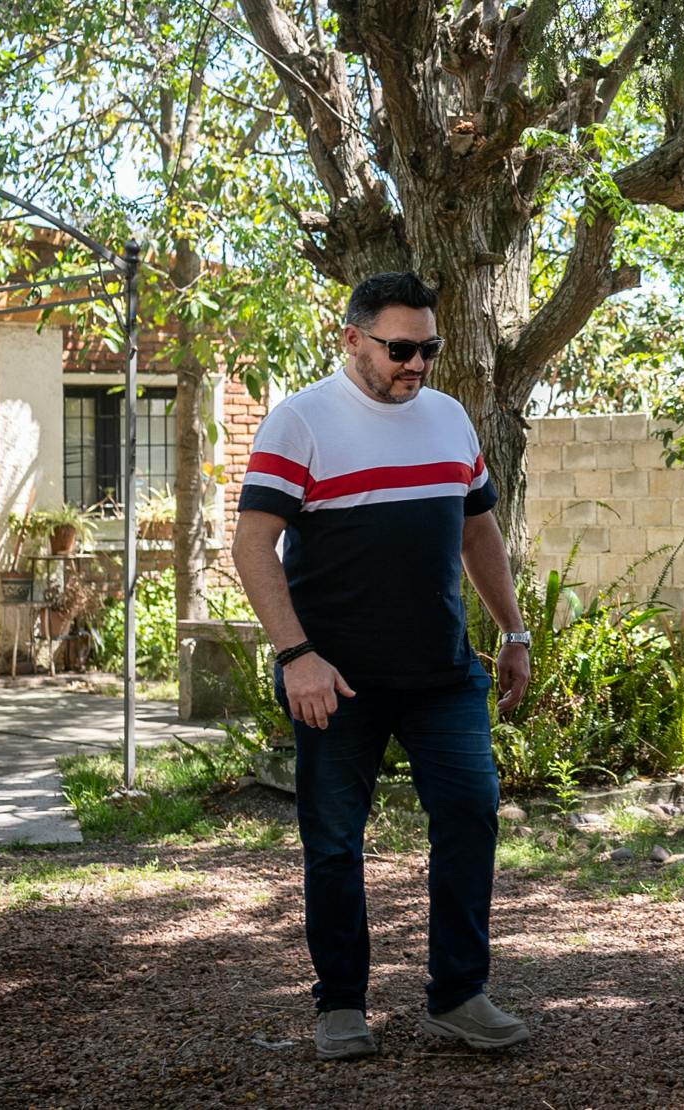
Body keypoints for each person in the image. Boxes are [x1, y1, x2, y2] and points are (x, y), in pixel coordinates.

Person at [234, 271, 535, 1060]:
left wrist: (513, 630)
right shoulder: (299, 422)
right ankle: (340, 1005)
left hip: (443, 674)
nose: (418, 365)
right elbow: (251, 545)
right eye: (401, 349)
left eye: (429, 349)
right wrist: (296, 655)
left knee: (471, 819)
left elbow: (479, 535)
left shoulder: (449, 419)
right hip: (334, 681)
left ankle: (459, 995)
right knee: (334, 843)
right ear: (352, 339)